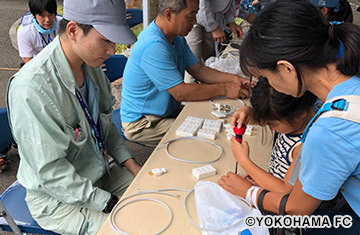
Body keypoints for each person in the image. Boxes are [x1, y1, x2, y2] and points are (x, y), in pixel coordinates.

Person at [7, 0, 140, 234]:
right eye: (106, 40)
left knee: (154, 194)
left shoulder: (91, 66)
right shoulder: (32, 88)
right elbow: (52, 173)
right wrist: (109, 202)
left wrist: (133, 166)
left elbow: (106, 127)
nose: (112, 51)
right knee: (130, 226)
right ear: (73, 30)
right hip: (58, 199)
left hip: (99, 173)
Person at [218, 0, 360, 218]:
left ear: (286, 68)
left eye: (266, 77)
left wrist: (247, 192)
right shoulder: (346, 68)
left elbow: (297, 207)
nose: (270, 84)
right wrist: (256, 115)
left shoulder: (329, 131)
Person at [120, 0, 250, 147]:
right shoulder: (153, 45)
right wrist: (225, 88)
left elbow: (199, 70)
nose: (194, 21)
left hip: (165, 112)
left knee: (215, 123)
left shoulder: (176, 37)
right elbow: (181, 93)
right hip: (143, 122)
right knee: (206, 139)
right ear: (169, 14)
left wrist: (236, 80)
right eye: (191, 15)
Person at [230, 76, 316, 194]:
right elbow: (280, 119)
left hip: (277, 199)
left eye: (271, 124)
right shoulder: (294, 123)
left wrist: (244, 160)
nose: (270, 127)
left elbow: (285, 190)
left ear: (300, 114)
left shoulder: (304, 147)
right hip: (270, 184)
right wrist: (251, 114)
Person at [185, 0, 243, 67]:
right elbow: (202, 3)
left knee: (209, 61)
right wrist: (213, 27)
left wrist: (230, 21)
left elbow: (230, 2)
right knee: (193, 63)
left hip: (212, 18)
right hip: (195, 18)